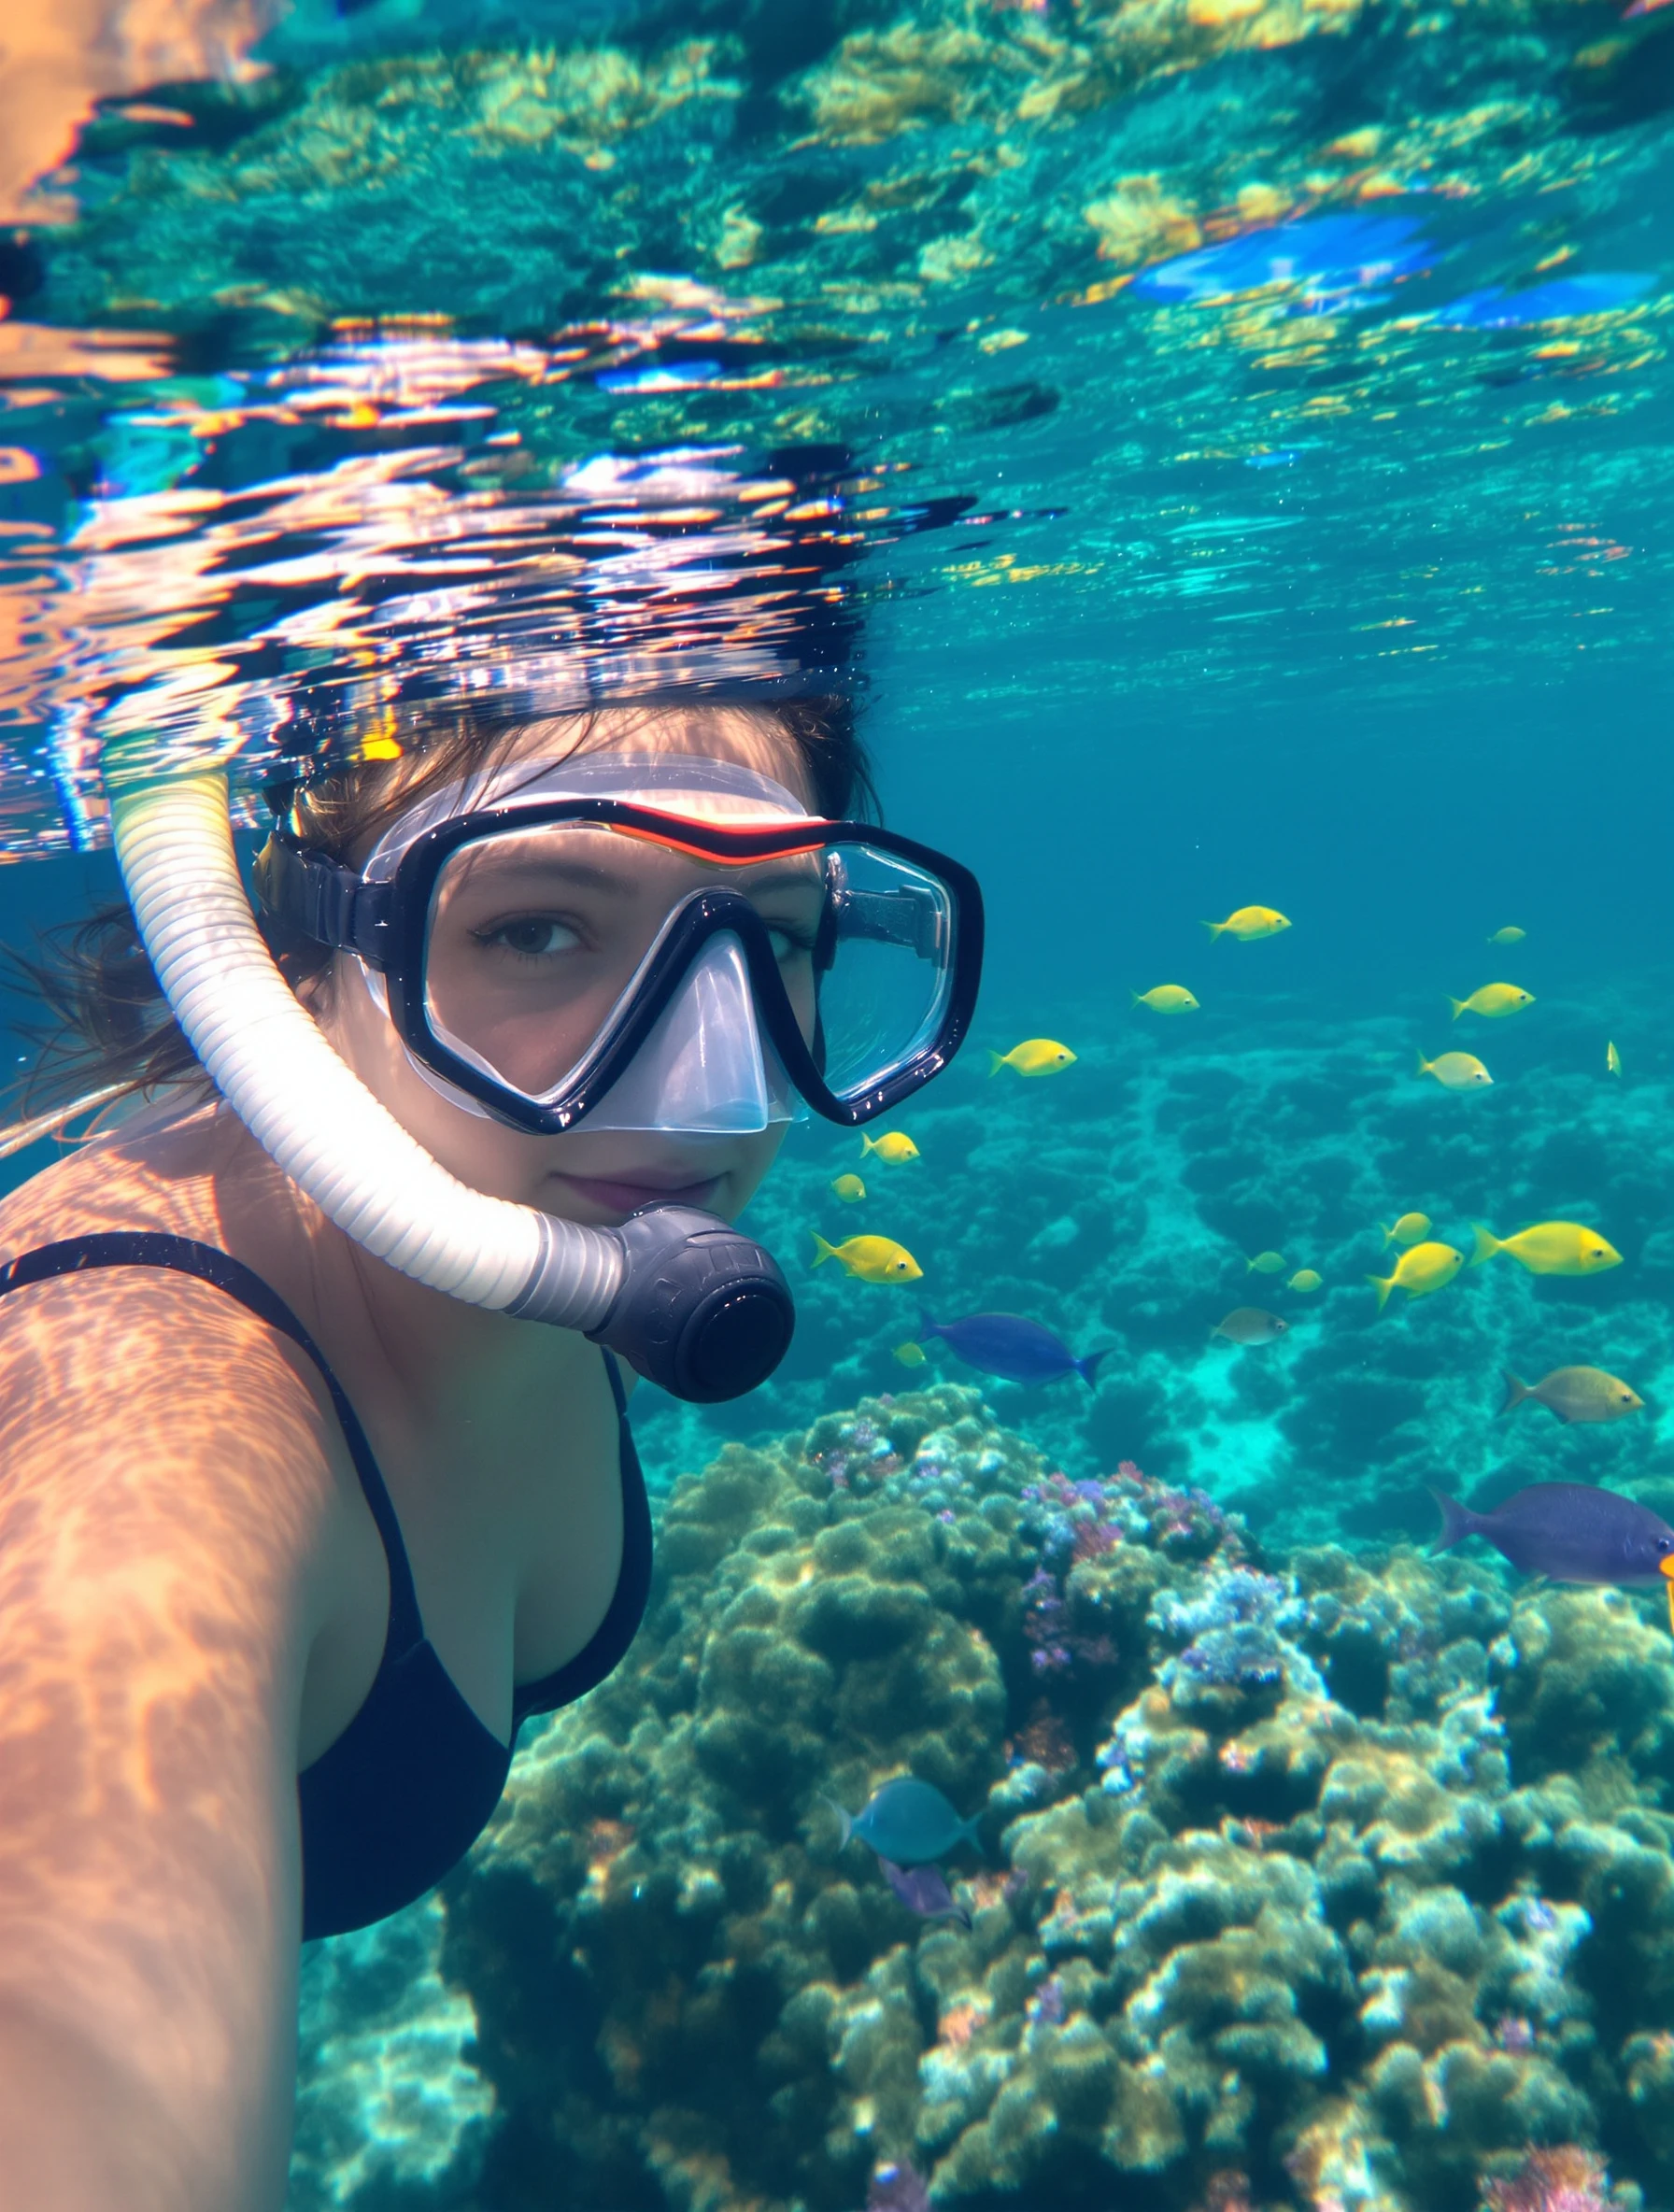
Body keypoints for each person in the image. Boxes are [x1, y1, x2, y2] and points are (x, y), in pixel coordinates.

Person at [0, 694, 982, 2210]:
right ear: (292, 963)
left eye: (775, 935)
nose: (711, 1093)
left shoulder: (568, 1220)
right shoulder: (147, 1439)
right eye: (538, 930)